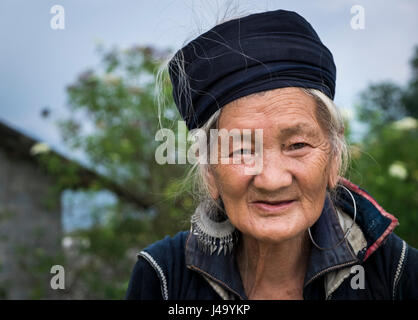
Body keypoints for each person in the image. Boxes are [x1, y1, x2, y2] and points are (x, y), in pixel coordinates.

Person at [126, 9, 418, 300]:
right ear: (209, 170)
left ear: (333, 158)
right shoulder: (164, 278)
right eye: (242, 150)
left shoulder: (396, 275)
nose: (273, 180)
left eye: (297, 145)